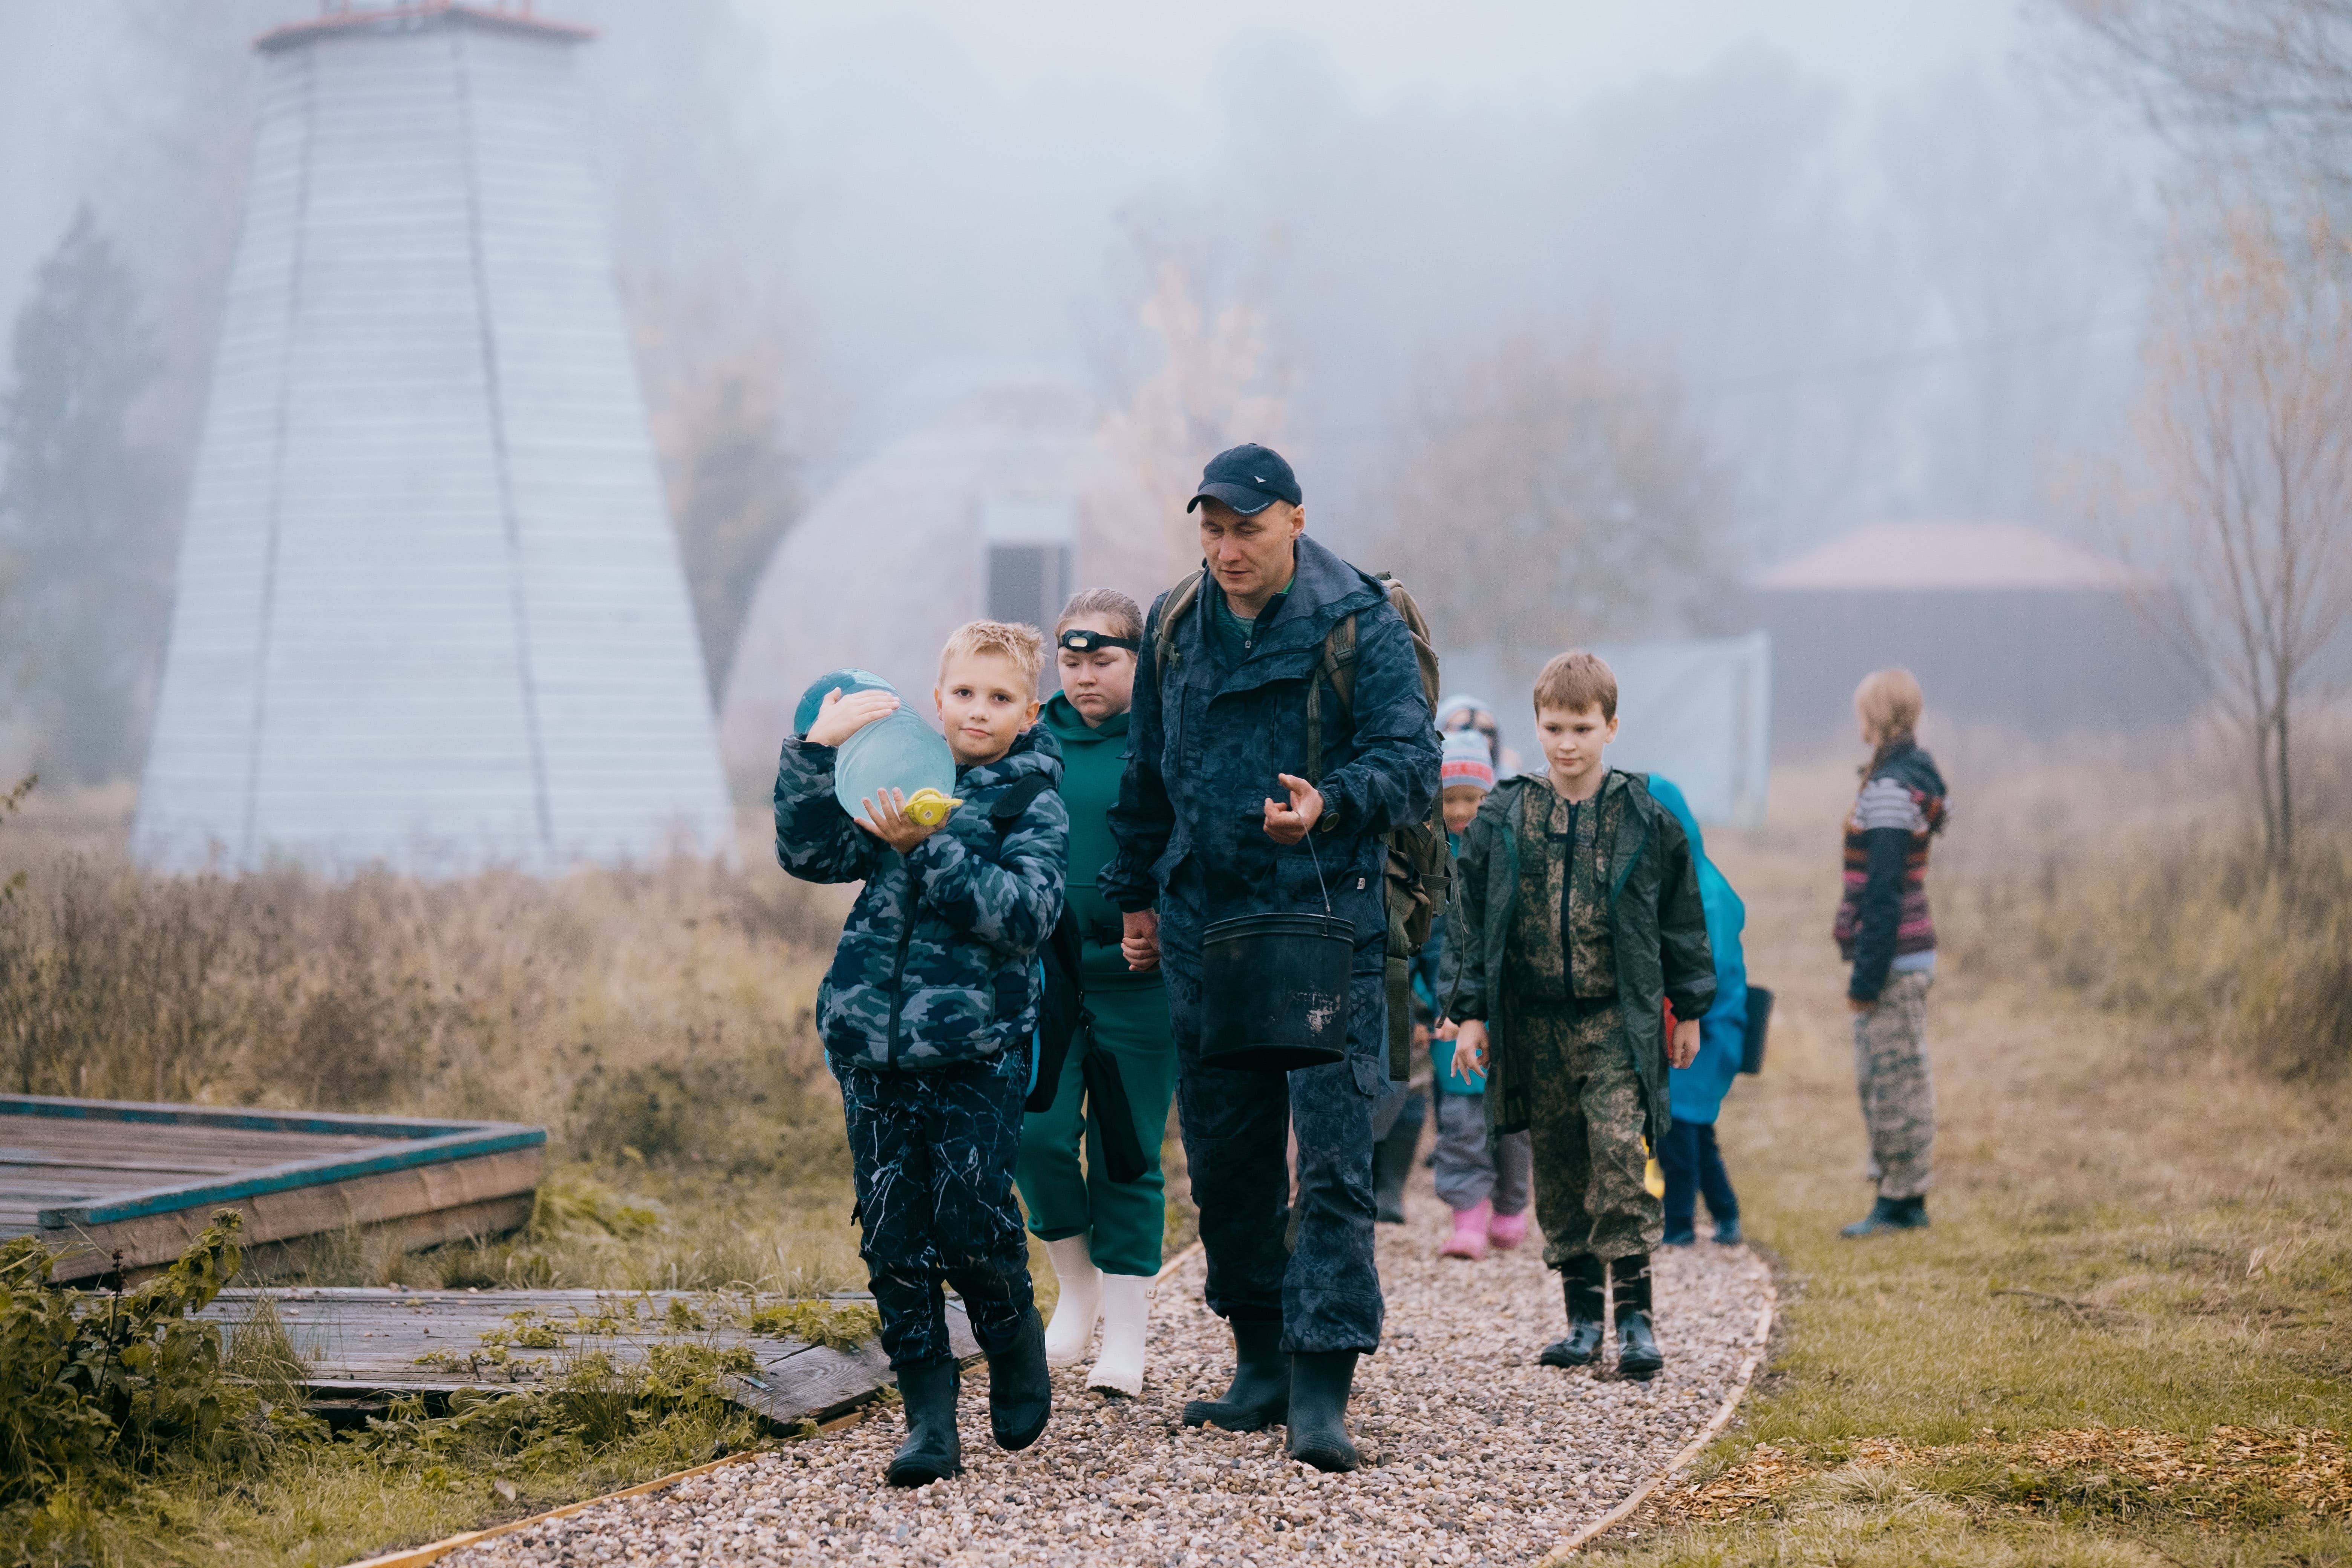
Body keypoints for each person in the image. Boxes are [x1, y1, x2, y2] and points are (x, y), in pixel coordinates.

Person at [1103, 443, 1441, 1473]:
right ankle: (1257, 1363)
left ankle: (1324, 1383)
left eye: (1245, 528)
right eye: (1211, 528)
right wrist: (1135, 899)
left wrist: (1332, 804)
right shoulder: (1174, 623)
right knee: (1227, 1159)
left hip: (1326, 921)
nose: (1226, 548)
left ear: (1295, 519)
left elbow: (1412, 763)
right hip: (1206, 926)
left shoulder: (1359, 623)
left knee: (1336, 1158)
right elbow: (1147, 772)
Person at [772, 620, 1066, 1487]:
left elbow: (1024, 916)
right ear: (937, 702)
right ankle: (928, 1422)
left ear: (1028, 711)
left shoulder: (1026, 799)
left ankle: (1013, 1335)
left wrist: (927, 848)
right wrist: (812, 754)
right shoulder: (899, 774)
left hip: (977, 1045)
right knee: (894, 1234)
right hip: (871, 1041)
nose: (979, 711)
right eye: (964, 694)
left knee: (969, 1216)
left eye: (999, 698)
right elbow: (811, 852)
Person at [1445, 650, 1712, 1381]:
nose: (1567, 742)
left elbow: (1682, 919)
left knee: (1622, 1155)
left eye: (1582, 727)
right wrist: (1469, 1014)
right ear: (1535, 726)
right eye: (1554, 726)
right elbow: (1468, 919)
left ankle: (1636, 1317)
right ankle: (1582, 1318)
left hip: (1614, 1018)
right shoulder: (1504, 814)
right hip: (1534, 1023)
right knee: (1559, 1169)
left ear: (1612, 727)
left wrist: (1687, 1008)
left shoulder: (1643, 817)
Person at [1016, 589, 1177, 1398]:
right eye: (1072, 662)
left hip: (1139, 982)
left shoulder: (1166, 739)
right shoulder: (1028, 737)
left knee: (1126, 1150)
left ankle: (1129, 1333)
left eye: (1102, 661)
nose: (1083, 677)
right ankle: (1074, 1285)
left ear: (1139, 662)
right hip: (1044, 973)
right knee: (1034, 1133)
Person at [1836, 668, 1950, 1239]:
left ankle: (1903, 1201)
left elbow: (1884, 893)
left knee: (1895, 1077)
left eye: (1862, 710)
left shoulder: (1888, 789)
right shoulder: (1903, 778)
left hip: (1894, 959)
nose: (1857, 720)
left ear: (1876, 716)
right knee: (1888, 1072)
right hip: (1906, 955)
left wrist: (1865, 977)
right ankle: (1896, 1191)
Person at [1645, 774, 1747, 1249]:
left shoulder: (1704, 892)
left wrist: (1686, 1004)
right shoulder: (1672, 884)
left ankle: (1680, 1223)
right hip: (1684, 1018)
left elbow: (1716, 964)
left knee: (1678, 1123)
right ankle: (1726, 1214)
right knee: (1696, 1126)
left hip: (1706, 1021)